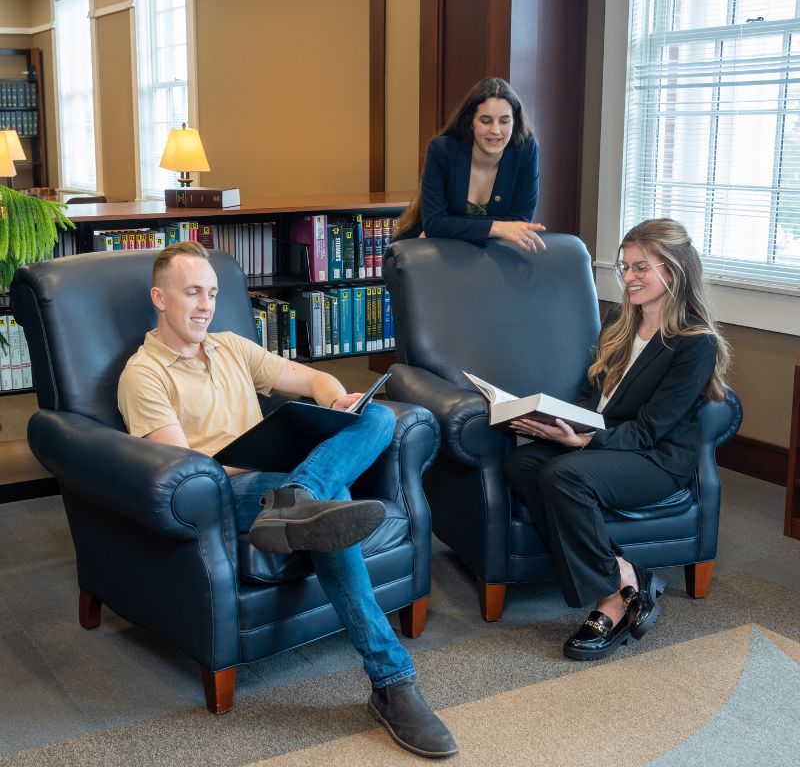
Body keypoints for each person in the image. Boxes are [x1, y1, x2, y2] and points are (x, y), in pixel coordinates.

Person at [117, 241, 457, 759]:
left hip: (283, 477)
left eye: (211, 293)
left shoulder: (231, 345)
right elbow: (183, 472)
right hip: (225, 493)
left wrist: (333, 398)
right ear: (159, 298)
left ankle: (299, 496)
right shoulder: (143, 374)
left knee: (380, 416)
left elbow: (310, 377)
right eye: (192, 292)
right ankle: (393, 681)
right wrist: (254, 459)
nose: (205, 304)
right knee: (336, 498)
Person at [504, 218, 730, 660]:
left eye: (640, 268)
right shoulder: (620, 320)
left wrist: (582, 443)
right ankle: (627, 574)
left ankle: (610, 600)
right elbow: (595, 397)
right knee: (522, 463)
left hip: (656, 459)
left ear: (675, 270)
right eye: (624, 268)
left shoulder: (695, 344)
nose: (628, 278)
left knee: (564, 476)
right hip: (606, 439)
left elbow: (650, 429)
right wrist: (560, 422)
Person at [393, 76, 546, 252]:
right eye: (486, 120)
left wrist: (450, 225)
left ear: (515, 122)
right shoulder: (442, 150)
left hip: (494, 253)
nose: (495, 130)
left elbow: (521, 222)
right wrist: (496, 227)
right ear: (471, 122)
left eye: (504, 121)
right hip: (432, 250)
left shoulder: (526, 150)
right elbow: (434, 224)